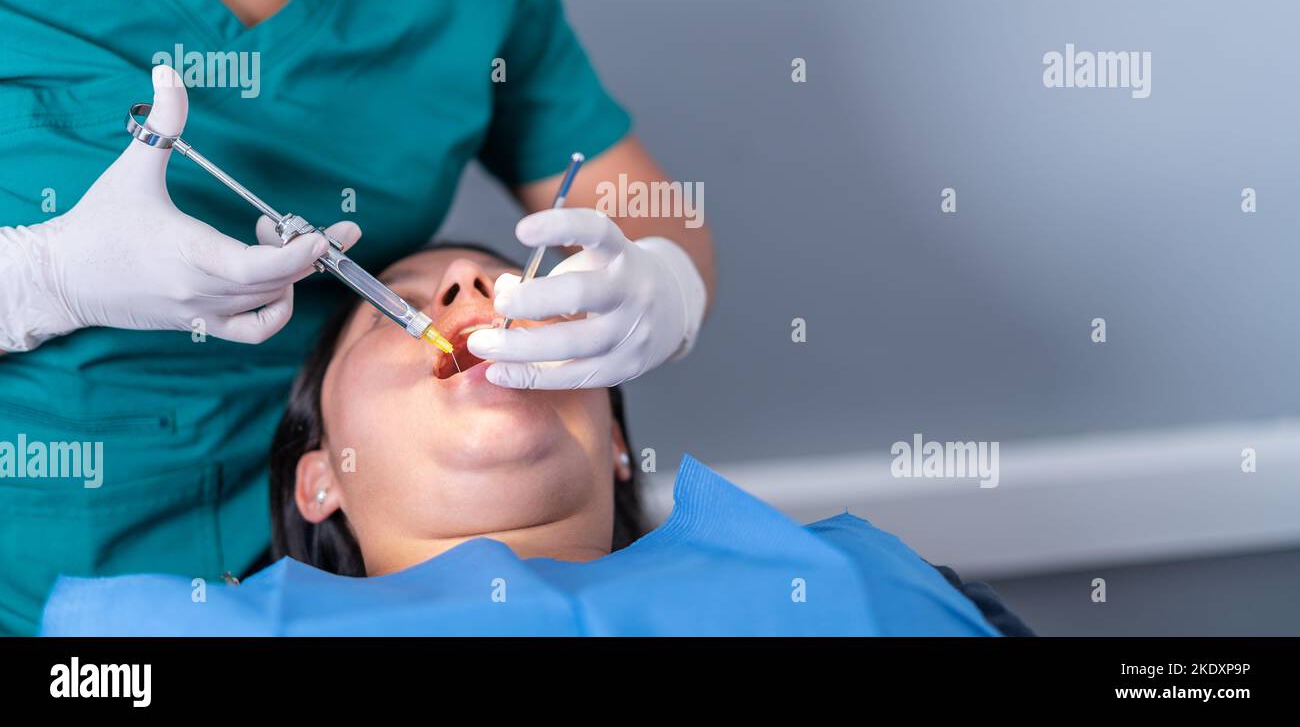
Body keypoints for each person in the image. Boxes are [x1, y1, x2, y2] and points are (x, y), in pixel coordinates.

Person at [0, 0, 714, 635]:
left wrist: (667, 282)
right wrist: (38, 280)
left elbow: (634, 198)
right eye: (396, 300)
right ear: (317, 477)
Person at [41, 245, 1031, 636]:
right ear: (319, 479)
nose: (471, 291)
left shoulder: (871, 573)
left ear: (615, 443)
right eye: (400, 306)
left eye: (515, 293)